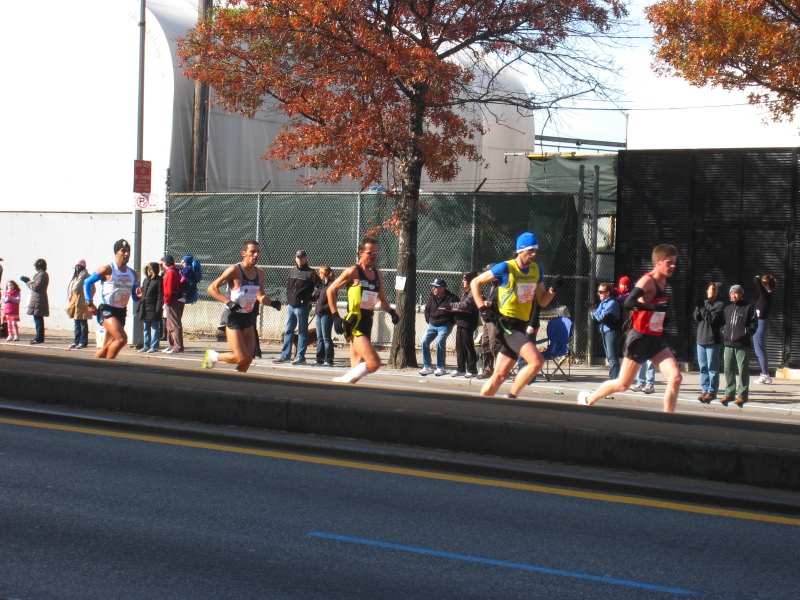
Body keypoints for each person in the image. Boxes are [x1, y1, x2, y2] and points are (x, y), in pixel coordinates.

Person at [578, 244, 683, 413]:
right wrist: (652, 308)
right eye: (669, 262)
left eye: (674, 262)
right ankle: (588, 399)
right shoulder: (647, 281)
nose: (673, 266)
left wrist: (663, 318)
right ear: (658, 262)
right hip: (640, 338)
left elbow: (656, 309)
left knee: (676, 377)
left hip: (656, 339)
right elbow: (628, 302)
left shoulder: (663, 282)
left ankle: (667, 419)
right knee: (622, 384)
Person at [470, 232, 563, 398]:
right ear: (520, 250)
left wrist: (553, 289)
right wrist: (481, 307)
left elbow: (542, 302)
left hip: (521, 325)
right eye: (530, 251)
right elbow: (475, 282)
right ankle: (511, 397)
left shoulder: (536, 270)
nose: (534, 254)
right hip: (507, 325)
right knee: (537, 361)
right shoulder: (506, 267)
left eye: (536, 251)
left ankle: (480, 402)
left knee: (500, 376)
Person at [326, 235, 399, 384]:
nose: (374, 257)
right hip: (354, 324)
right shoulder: (353, 272)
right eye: (370, 253)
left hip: (368, 322)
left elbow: (382, 300)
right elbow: (330, 290)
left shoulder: (378, 274)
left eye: (376, 253)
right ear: (361, 253)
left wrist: (391, 312)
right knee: (373, 363)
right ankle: (343, 380)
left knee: (356, 371)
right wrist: (335, 317)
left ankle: (344, 398)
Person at [202, 240, 281, 372]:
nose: (256, 255)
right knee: (240, 357)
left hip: (248, 317)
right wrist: (228, 302)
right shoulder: (234, 270)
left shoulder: (260, 273)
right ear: (244, 253)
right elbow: (212, 288)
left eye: (258, 252)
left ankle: (234, 384)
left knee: (247, 360)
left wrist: (271, 303)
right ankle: (213, 356)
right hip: (233, 317)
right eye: (252, 252)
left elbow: (260, 295)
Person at [83, 239, 140, 360]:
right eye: (123, 250)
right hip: (107, 310)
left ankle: (92, 369)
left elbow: (135, 297)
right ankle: (109, 367)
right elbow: (87, 282)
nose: (126, 254)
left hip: (121, 311)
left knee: (107, 347)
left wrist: (139, 295)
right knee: (121, 339)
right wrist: (89, 302)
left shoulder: (133, 274)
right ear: (116, 253)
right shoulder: (108, 269)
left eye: (128, 251)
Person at [274, 249, 321, 365]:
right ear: (295, 258)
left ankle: (300, 357)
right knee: (289, 330)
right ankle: (285, 355)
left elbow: (321, 288)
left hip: (302, 307)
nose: (300, 259)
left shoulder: (311, 273)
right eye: (298, 257)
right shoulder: (292, 271)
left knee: (302, 331)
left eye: (302, 257)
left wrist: (312, 299)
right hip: (291, 306)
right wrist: (289, 299)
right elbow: (289, 287)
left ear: (306, 258)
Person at [720, 284, 758, 407]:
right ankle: (729, 393)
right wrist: (724, 331)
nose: (733, 295)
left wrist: (745, 333)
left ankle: (742, 395)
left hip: (742, 344)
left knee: (742, 370)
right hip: (728, 343)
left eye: (735, 293)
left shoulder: (749, 307)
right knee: (728, 369)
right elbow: (722, 323)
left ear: (741, 294)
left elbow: (753, 324)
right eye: (731, 293)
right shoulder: (727, 309)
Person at [419, 278, 458, 376]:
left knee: (439, 341)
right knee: (424, 342)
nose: (433, 289)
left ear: (443, 288)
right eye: (433, 287)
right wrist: (428, 319)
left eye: (436, 287)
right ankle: (427, 366)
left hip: (445, 325)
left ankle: (441, 368)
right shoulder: (432, 296)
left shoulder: (452, 298)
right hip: (432, 324)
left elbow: (457, 311)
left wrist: (451, 322)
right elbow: (427, 309)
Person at [693, 282, 725, 402]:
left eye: (710, 290)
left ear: (716, 292)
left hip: (712, 339)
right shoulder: (705, 303)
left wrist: (702, 308)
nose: (707, 292)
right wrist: (698, 307)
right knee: (703, 366)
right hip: (701, 338)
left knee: (712, 367)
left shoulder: (720, 305)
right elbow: (696, 317)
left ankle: (712, 391)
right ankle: (704, 389)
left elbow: (710, 319)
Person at [448, 271, 480, 378]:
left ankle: (472, 369)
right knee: (459, 346)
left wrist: (451, 305)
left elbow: (465, 305)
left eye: (465, 279)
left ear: (470, 281)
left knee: (468, 346)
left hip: (468, 322)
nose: (462, 281)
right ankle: (460, 368)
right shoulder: (465, 292)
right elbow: (460, 305)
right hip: (461, 322)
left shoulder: (473, 292)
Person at [590, 282, 622, 380]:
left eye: (601, 292)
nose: (598, 294)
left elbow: (600, 317)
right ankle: (612, 378)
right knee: (609, 356)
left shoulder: (612, 303)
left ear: (608, 293)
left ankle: (614, 379)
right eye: (598, 292)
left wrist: (593, 311)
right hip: (605, 331)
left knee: (612, 357)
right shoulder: (604, 303)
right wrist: (594, 311)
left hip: (612, 331)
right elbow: (593, 316)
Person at [476, 264, 500, 380]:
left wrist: (490, 304)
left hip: (495, 320)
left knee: (494, 345)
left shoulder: (501, 286)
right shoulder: (491, 285)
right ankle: (487, 369)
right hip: (487, 319)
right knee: (485, 344)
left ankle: (499, 371)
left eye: (488, 272)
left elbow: (503, 304)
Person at [753, 274, 777, 384]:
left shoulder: (766, 295)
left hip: (761, 323)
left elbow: (756, 282)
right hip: (763, 323)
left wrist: (758, 278)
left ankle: (765, 375)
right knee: (761, 350)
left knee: (760, 351)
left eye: (763, 283)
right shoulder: (767, 296)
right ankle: (765, 373)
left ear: (766, 284)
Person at [20, 258, 50, 345]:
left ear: (39, 266)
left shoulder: (42, 275)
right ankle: (39, 337)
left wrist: (27, 282)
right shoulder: (41, 274)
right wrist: (30, 281)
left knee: (38, 319)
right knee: (38, 319)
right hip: (37, 298)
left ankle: (39, 338)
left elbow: (36, 287)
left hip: (39, 299)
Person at [137, 262, 164, 353]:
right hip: (145, 307)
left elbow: (160, 295)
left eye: (150, 269)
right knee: (146, 327)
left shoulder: (159, 280)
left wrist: (158, 308)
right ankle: (146, 346)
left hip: (153, 307)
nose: (148, 271)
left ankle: (154, 346)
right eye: (147, 269)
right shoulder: (146, 280)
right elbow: (143, 294)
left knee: (155, 327)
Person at [161, 254, 184, 354]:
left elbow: (168, 290)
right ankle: (172, 344)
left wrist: (166, 302)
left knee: (174, 324)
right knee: (169, 324)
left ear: (165, 262)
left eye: (162, 262)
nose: (161, 264)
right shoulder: (172, 271)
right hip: (172, 301)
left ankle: (178, 346)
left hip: (172, 301)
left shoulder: (170, 273)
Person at [313, 265, 336, 367]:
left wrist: (322, 308)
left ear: (324, 273)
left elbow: (332, 301)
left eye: (320, 273)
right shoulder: (323, 285)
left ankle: (329, 359)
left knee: (326, 337)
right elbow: (317, 296)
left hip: (326, 314)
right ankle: (319, 358)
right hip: (319, 314)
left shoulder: (332, 285)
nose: (319, 275)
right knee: (320, 337)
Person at [66, 259, 90, 349]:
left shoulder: (87, 276)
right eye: (76, 266)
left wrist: (87, 299)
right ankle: (76, 341)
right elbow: (72, 288)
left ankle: (83, 342)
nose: (77, 268)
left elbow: (92, 289)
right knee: (76, 323)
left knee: (83, 323)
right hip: (75, 302)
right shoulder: (75, 277)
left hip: (83, 303)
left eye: (79, 266)